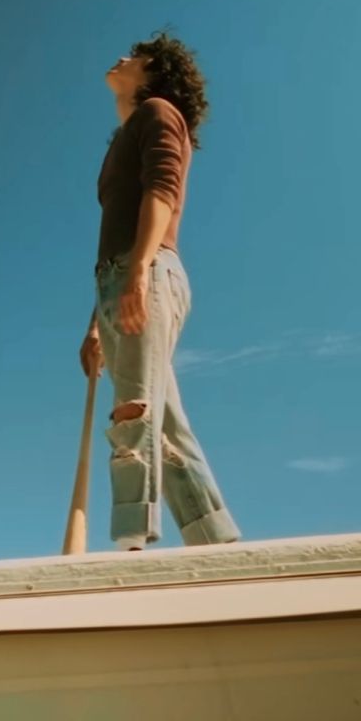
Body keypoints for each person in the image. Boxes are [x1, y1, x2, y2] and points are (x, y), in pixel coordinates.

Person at [79, 30, 241, 551]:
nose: (123, 55)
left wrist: (140, 270)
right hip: (120, 276)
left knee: (135, 409)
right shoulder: (123, 139)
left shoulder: (157, 111)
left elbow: (163, 190)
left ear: (154, 72)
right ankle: (216, 542)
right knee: (166, 424)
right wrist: (94, 326)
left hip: (145, 272)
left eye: (137, 54)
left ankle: (130, 541)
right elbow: (117, 231)